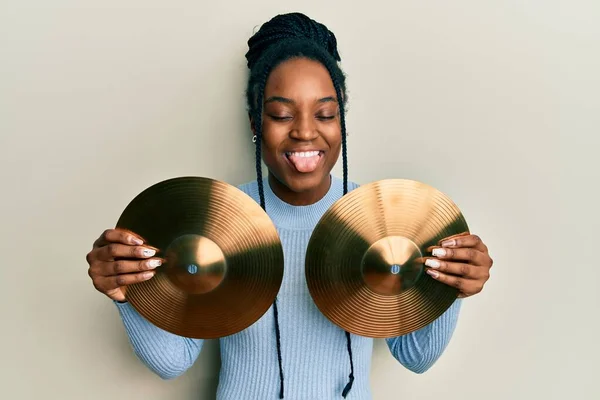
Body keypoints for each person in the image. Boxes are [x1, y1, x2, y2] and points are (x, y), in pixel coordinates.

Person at [85, 12, 493, 400]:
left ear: (341, 122)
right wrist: (126, 294)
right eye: (281, 114)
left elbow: (417, 357)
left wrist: (451, 287)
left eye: (325, 113)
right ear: (254, 124)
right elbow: (172, 362)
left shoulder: (387, 220)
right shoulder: (212, 218)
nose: (304, 131)